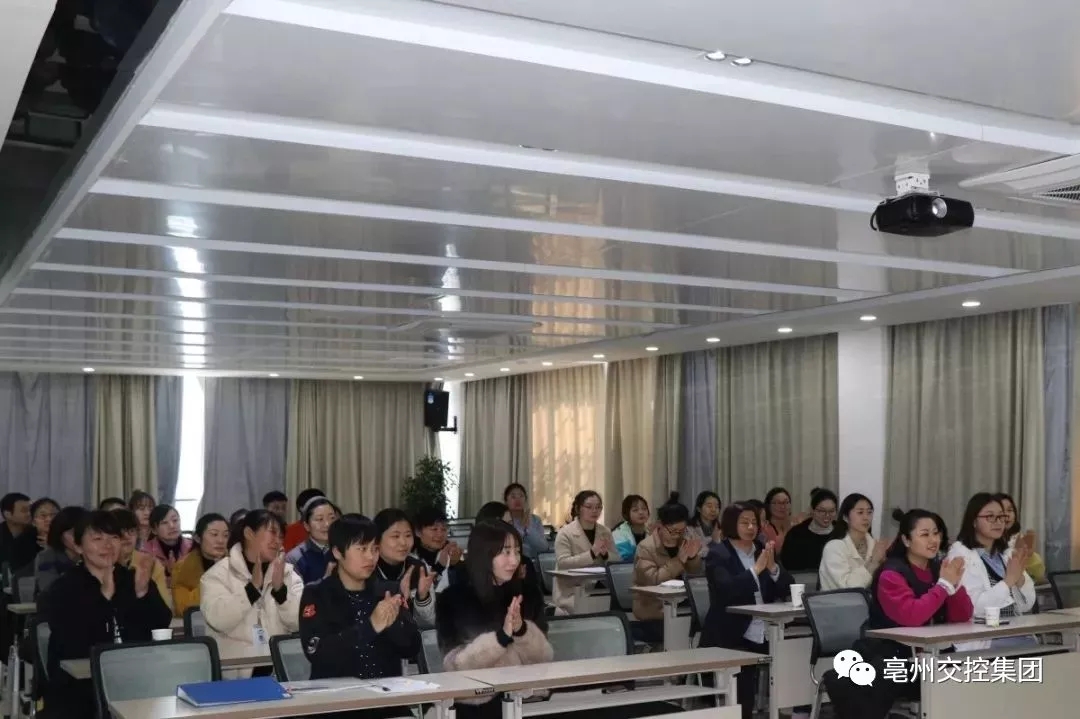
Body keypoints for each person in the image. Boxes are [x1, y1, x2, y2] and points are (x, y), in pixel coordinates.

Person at [40, 510, 171, 719]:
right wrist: (104, 596)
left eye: (114, 538)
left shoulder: (131, 578)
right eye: (97, 539)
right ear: (78, 546)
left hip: (134, 680)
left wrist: (143, 593)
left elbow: (161, 624)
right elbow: (73, 644)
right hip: (80, 690)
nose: (107, 545)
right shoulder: (63, 588)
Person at [299, 516, 420, 719]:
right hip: (337, 706)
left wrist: (396, 623)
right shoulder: (317, 594)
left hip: (387, 705)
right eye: (362, 549)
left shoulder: (387, 591)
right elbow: (318, 653)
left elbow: (412, 648)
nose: (370, 557)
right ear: (338, 552)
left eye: (374, 549)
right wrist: (370, 626)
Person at [436, 521, 553, 719]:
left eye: (517, 551)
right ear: (484, 555)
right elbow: (455, 666)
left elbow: (544, 658)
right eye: (506, 552)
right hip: (477, 705)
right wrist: (500, 638)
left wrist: (522, 630)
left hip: (526, 699)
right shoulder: (453, 599)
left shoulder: (528, 593)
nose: (514, 561)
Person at [699, 503, 792, 719]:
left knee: (794, 653)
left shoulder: (762, 550)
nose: (751, 527)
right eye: (744, 522)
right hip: (732, 632)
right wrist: (756, 570)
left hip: (766, 628)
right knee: (742, 686)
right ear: (731, 524)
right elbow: (727, 591)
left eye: (754, 522)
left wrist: (773, 568)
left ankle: (792, 710)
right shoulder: (718, 554)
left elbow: (788, 587)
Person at [200, 509, 303, 673]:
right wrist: (251, 589)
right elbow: (217, 620)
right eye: (272, 533)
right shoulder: (218, 574)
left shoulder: (287, 573)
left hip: (279, 669)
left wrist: (281, 592)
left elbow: (300, 622)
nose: (277, 541)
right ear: (249, 533)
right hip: (236, 671)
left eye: (281, 537)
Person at [869, 509, 973, 654]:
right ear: (906, 540)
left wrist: (954, 586)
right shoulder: (890, 575)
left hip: (936, 652)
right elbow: (912, 616)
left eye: (935, 533)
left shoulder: (939, 569)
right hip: (896, 654)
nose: (933, 540)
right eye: (925, 535)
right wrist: (944, 585)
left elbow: (962, 616)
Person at [946, 493, 1035, 650]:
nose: (998, 522)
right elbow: (974, 608)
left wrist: (1019, 579)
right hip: (982, 637)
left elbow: (1026, 605)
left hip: (1012, 630)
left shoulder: (1006, 554)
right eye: (990, 517)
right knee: (1033, 648)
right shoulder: (961, 555)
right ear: (974, 521)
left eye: (1001, 517)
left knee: (1038, 646)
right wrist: (1008, 581)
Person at [632, 494, 702, 635]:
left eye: (681, 531)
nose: (677, 535)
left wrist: (693, 557)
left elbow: (695, 575)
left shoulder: (684, 541)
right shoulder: (646, 547)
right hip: (654, 606)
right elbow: (652, 580)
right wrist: (678, 561)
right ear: (660, 525)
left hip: (683, 601)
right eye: (673, 531)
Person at [553, 491, 614, 613]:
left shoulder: (605, 531)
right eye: (589, 507)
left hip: (600, 588)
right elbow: (563, 563)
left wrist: (606, 555)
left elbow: (617, 561)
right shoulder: (565, 533)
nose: (594, 511)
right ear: (578, 508)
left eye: (598, 507)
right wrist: (591, 554)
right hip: (571, 590)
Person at [372, 508, 436, 626]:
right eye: (395, 536)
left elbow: (428, 624)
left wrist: (423, 597)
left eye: (408, 535)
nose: (403, 542)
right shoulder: (365, 569)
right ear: (377, 540)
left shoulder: (419, 569)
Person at [819, 493, 888, 591]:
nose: (866, 517)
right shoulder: (834, 548)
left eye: (869, 512)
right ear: (845, 517)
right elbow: (847, 588)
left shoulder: (874, 545)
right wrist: (873, 563)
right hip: (838, 600)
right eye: (860, 512)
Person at [112, 508, 172, 613]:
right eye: (120, 532)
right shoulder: (100, 565)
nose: (126, 536)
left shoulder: (151, 564)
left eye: (131, 531)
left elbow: (165, 607)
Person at [172, 512, 230, 618]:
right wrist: (213, 575)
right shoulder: (182, 567)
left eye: (225, 535)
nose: (221, 540)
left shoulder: (235, 563)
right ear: (198, 538)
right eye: (214, 534)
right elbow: (183, 609)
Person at [779, 488, 838, 572]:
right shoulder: (796, 534)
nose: (827, 515)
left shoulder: (843, 532)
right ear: (812, 510)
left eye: (831, 511)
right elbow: (788, 566)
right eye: (822, 511)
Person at [285, 497, 340, 584]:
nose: (327, 524)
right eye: (320, 519)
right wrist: (325, 581)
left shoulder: (343, 549)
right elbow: (295, 591)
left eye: (332, 518)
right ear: (306, 526)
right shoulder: (294, 558)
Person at [34, 505, 87, 596]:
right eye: (72, 533)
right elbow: (50, 589)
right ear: (59, 534)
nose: (78, 537)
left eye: (83, 532)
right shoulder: (47, 556)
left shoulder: (95, 554)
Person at [994, 492, 1046, 583]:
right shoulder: (988, 542)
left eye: (1010, 510)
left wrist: (1030, 556)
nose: (1007, 515)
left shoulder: (1019, 539)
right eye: (1002, 511)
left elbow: (1038, 575)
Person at [143, 504, 193, 586]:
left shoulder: (193, 547)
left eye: (175, 520)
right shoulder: (145, 551)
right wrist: (167, 573)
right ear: (154, 530)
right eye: (164, 523)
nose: (172, 526)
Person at [412, 507, 464, 582]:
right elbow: (422, 586)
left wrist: (455, 564)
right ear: (418, 532)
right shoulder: (410, 556)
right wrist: (440, 566)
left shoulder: (451, 551)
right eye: (434, 529)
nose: (440, 535)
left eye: (444, 529)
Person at [503, 483, 548, 560]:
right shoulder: (503, 520)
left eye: (521, 496)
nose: (518, 499)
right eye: (513, 497)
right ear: (506, 501)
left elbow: (544, 547)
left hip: (531, 563)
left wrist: (528, 529)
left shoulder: (535, 520)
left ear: (525, 500)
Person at [0, 492, 38, 573]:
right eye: (24, 510)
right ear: (8, 514)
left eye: (31, 510)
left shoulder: (37, 533)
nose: (29, 514)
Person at [761, 487, 803, 552]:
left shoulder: (798, 526)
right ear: (768, 506)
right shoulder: (764, 529)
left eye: (786, 502)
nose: (782, 506)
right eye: (777, 503)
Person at [611, 494, 651, 562]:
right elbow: (627, 559)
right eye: (635, 510)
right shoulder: (618, 534)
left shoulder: (651, 532)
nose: (641, 512)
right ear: (627, 514)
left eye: (644, 509)